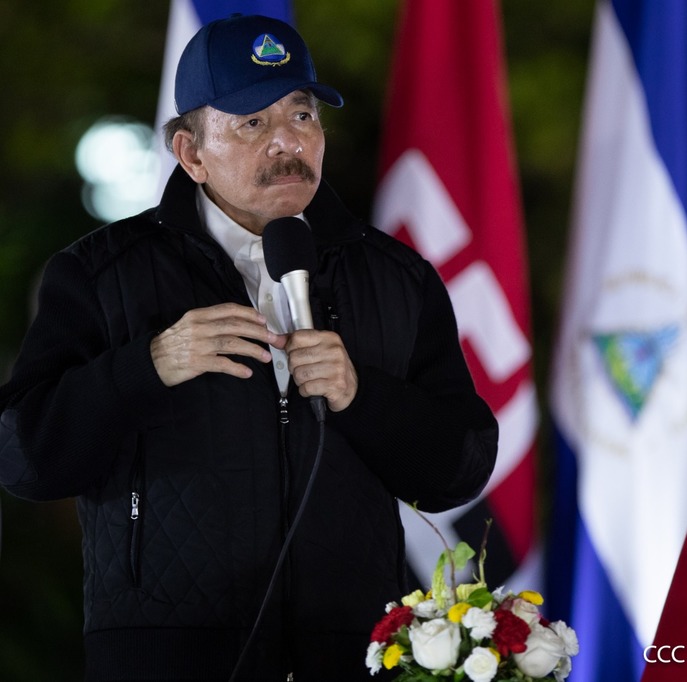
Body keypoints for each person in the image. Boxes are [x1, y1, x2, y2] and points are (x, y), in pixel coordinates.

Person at [0, 14, 498, 682]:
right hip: (167, 660)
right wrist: (145, 367)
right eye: (252, 123)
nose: (287, 141)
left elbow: (458, 471)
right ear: (191, 154)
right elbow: (23, 458)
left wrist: (363, 396)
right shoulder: (97, 274)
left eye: (302, 115)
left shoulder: (397, 277)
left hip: (351, 654)